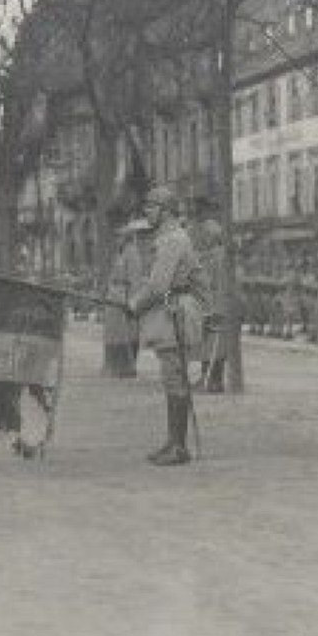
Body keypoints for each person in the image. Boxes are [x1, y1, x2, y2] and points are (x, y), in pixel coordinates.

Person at [127, 185, 208, 467]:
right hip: (171, 309)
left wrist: (134, 305)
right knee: (172, 378)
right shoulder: (168, 238)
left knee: (175, 378)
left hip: (176, 312)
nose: (147, 212)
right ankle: (174, 442)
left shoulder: (173, 239)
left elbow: (158, 285)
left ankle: (179, 447)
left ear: (167, 211)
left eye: (151, 207)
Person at [103, 218, 146, 377]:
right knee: (114, 333)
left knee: (127, 333)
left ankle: (128, 366)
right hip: (114, 297)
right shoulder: (118, 253)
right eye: (116, 236)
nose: (117, 239)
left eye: (120, 235)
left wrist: (132, 301)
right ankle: (114, 365)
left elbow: (135, 279)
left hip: (125, 296)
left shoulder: (132, 252)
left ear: (127, 237)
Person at [195, 218, 231, 394]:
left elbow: (221, 283)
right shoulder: (208, 255)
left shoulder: (220, 255)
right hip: (206, 304)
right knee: (207, 345)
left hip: (215, 305)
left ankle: (214, 380)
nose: (204, 238)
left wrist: (218, 308)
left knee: (216, 345)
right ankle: (206, 377)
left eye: (207, 235)